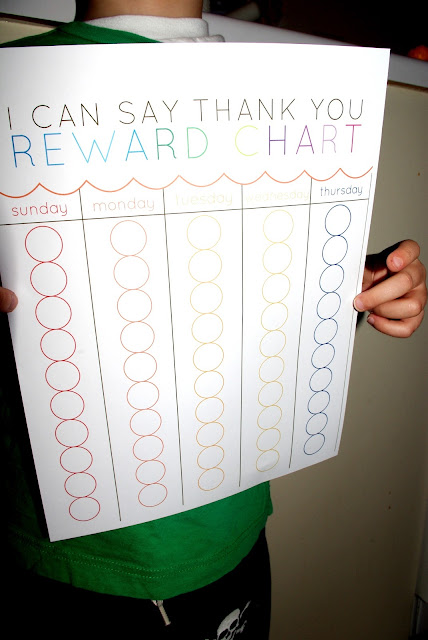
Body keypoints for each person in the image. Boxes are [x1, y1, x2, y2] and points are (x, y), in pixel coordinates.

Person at [1, 2, 427, 638]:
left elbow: (257, 303)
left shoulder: (282, 93)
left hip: (233, 531)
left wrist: (359, 288)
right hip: (71, 564)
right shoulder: (14, 82)